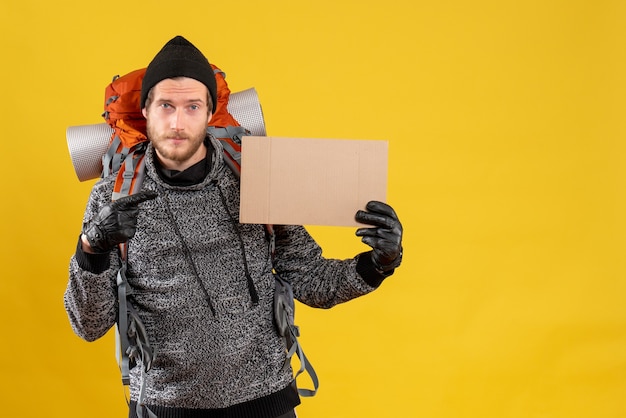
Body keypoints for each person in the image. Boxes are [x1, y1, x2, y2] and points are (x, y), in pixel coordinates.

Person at [64, 35, 403, 418]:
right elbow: (89, 325)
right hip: (165, 408)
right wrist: (91, 248)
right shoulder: (113, 196)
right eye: (166, 106)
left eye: (192, 106)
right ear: (146, 111)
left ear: (209, 113)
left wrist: (376, 264)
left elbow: (309, 278)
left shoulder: (256, 176)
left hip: (267, 400)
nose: (178, 122)